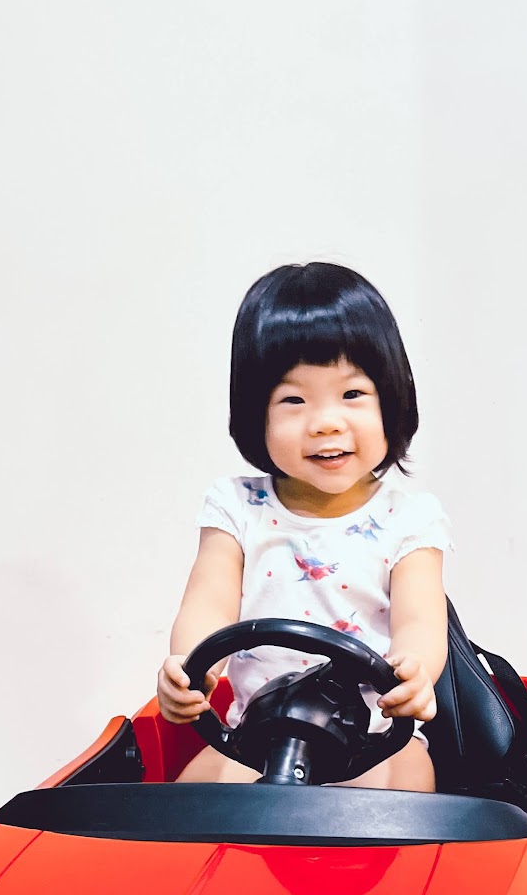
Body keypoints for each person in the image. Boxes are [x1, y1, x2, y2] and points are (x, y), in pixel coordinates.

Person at [157, 262, 450, 791]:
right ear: (257, 414)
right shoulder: (236, 506)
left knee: (408, 789)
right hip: (255, 737)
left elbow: (420, 622)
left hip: (372, 740)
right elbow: (208, 603)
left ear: (391, 400)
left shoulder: (409, 519)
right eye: (294, 400)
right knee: (187, 801)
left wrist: (414, 670)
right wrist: (189, 668)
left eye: (352, 395)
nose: (326, 423)